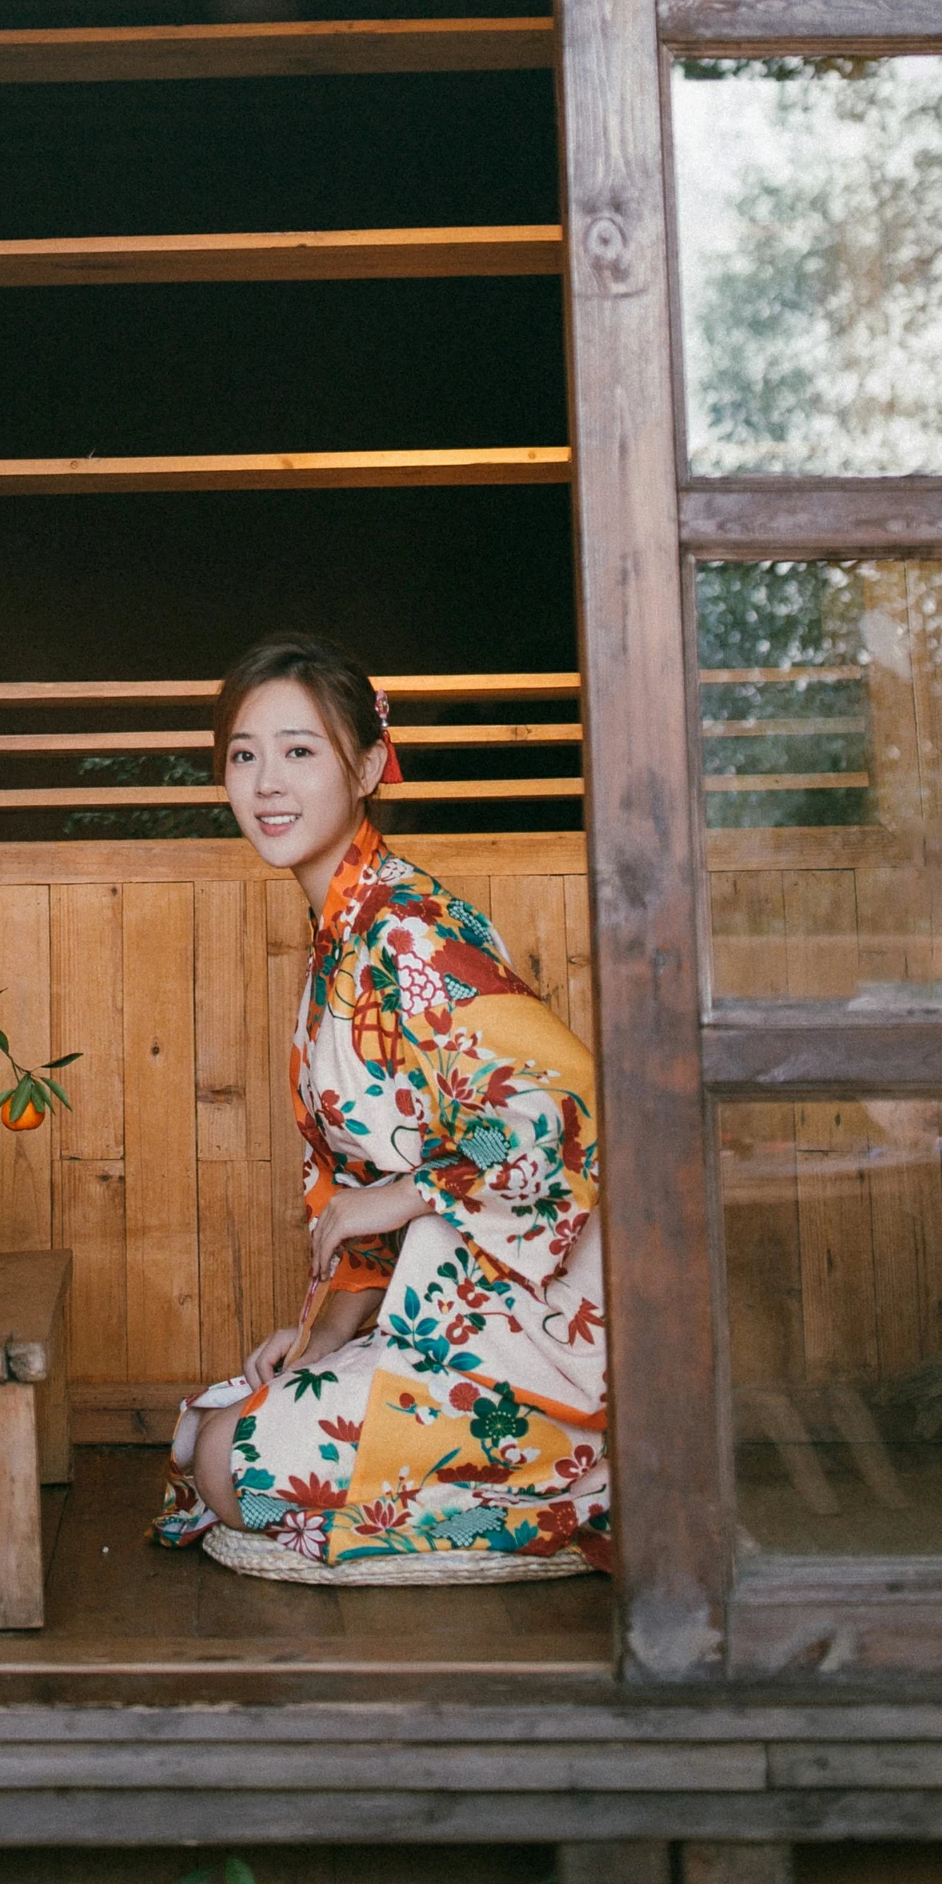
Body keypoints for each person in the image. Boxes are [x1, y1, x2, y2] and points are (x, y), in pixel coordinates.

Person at [157, 631, 610, 1571]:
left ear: (367, 765)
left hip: (540, 1320)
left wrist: (404, 1196)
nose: (267, 783)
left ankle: (578, 1463)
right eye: (244, 756)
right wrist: (319, 1339)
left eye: (299, 750)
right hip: (452, 1301)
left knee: (233, 1464)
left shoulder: (405, 929)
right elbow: (360, 1177)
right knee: (204, 1433)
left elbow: (566, 1106)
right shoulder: (344, 933)